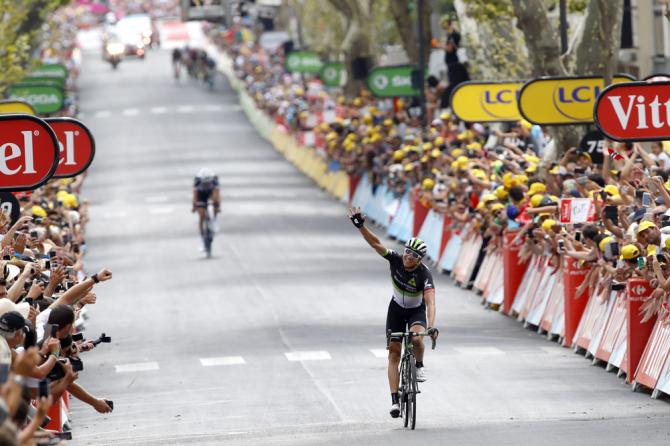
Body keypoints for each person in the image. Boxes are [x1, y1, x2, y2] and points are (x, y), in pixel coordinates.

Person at [346, 207, 438, 419]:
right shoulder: (395, 259)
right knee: (394, 352)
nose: (408, 257)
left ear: (420, 259)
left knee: (416, 339)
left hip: (416, 310)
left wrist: (431, 325)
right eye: (407, 251)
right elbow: (376, 244)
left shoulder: (424, 274)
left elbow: (430, 303)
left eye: (413, 255)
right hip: (396, 310)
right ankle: (395, 400)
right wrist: (361, 227)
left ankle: (420, 364)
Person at [192, 168, 221, 245]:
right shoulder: (197, 181)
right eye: (205, 183)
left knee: (215, 203)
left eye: (208, 183)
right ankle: (202, 238)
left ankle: (214, 219)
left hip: (211, 193)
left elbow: (217, 195)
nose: (207, 184)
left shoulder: (215, 180)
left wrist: (217, 206)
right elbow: (195, 196)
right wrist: (194, 205)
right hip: (201, 194)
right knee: (201, 216)